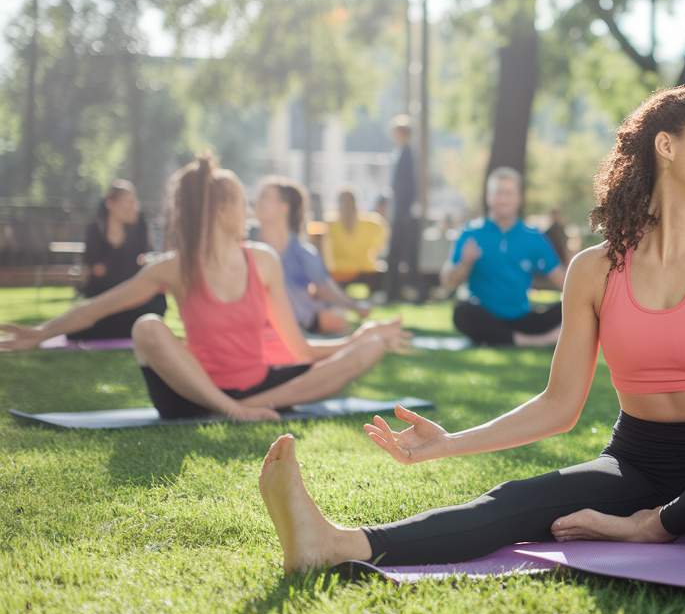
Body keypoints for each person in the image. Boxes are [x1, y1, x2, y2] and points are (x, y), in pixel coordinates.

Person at [255, 85, 685, 572]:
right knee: (518, 499)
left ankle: (651, 529)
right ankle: (336, 545)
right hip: (635, 462)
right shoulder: (593, 270)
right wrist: (448, 445)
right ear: (666, 145)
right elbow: (560, 406)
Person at [0, 155, 411, 420]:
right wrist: (39, 333)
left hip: (260, 386)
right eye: (240, 200)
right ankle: (231, 410)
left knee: (370, 349)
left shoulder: (262, 259)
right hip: (190, 394)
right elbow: (97, 307)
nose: (248, 209)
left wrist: (360, 336)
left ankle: (243, 408)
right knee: (146, 327)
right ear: (219, 208)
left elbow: (298, 349)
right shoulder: (175, 267)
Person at [441, 167, 566, 347]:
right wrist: (465, 264)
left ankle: (512, 338)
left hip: (522, 318)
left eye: (509, 193)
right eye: (499, 193)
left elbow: (562, 280)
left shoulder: (534, 237)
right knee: (461, 312)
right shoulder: (470, 234)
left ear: (519, 198)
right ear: (489, 197)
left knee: (569, 307)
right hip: (484, 317)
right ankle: (534, 341)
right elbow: (447, 282)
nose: (504, 199)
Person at [253, 176, 371, 335]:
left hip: (298, 327)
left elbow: (328, 290)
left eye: (265, 196)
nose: (257, 202)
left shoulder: (302, 254)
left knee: (337, 321)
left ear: (284, 207)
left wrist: (355, 307)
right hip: (256, 326)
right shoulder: (245, 244)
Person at [67, 180, 167, 340]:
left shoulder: (140, 224)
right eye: (130, 202)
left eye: (136, 202)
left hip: (133, 296)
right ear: (110, 203)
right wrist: (115, 246)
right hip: (105, 296)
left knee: (156, 305)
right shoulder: (96, 229)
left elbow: (144, 259)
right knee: (79, 328)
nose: (136, 207)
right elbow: (98, 271)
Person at [384, 115, 421, 302]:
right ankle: (392, 292)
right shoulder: (399, 152)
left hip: (402, 213)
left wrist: (405, 211)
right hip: (397, 211)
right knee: (395, 253)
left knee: (401, 253)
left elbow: (410, 184)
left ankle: (398, 292)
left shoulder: (407, 153)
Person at [325, 186, 389, 292]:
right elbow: (379, 246)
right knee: (380, 267)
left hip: (336, 269)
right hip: (364, 269)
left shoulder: (328, 222)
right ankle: (376, 295)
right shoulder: (373, 222)